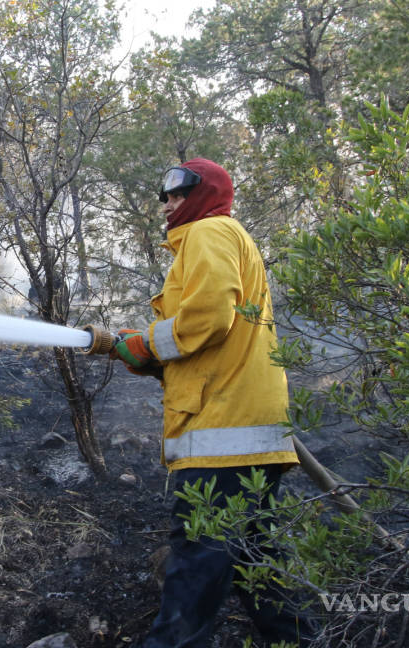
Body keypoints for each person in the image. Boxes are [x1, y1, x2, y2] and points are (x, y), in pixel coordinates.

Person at [110, 158, 316, 647]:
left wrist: (147, 344)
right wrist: (149, 356)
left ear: (203, 196)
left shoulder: (208, 232)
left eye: (177, 195)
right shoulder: (223, 238)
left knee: (194, 576)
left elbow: (208, 318)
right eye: (165, 197)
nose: (167, 205)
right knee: (254, 565)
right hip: (248, 434)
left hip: (223, 437)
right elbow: (213, 341)